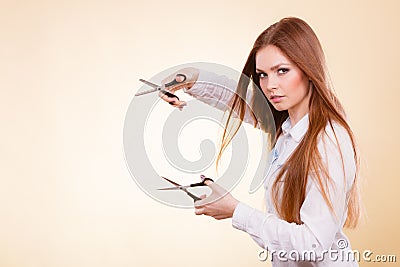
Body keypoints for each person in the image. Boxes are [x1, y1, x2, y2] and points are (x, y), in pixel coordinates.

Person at [158, 17, 360, 266]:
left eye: (282, 71)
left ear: (308, 69)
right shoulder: (287, 127)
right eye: (262, 74)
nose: (270, 85)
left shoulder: (328, 140)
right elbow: (237, 98)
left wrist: (236, 211)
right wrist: (190, 78)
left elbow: (313, 244)